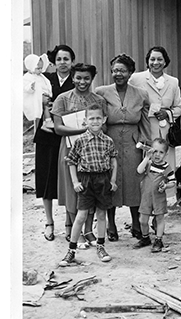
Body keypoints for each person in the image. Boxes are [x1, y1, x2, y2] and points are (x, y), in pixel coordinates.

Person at [95, 54, 151, 241]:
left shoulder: (141, 94)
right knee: (110, 181)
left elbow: (144, 123)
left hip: (133, 143)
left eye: (122, 70)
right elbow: (98, 119)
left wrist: (146, 144)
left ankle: (136, 223)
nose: (118, 74)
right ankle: (111, 225)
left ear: (130, 73)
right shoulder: (101, 92)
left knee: (135, 181)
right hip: (110, 141)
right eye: (115, 70)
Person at [52, 63, 107, 245]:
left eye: (86, 78)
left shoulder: (98, 100)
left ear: (92, 79)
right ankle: (74, 229)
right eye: (78, 77)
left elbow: (104, 124)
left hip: (93, 150)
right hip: (69, 148)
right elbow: (58, 128)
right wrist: (81, 130)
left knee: (90, 187)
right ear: (72, 77)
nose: (82, 82)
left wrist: (94, 129)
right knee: (72, 187)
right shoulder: (63, 98)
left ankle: (89, 230)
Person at [59, 104, 117, 266]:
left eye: (98, 118)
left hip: (103, 179)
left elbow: (114, 161)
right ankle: (71, 250)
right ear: (85, 121)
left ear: (104, 119)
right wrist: (75, 181)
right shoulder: (80, 141)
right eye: (91, 118)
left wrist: (112, 180)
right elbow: (71, 161)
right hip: (85, 180)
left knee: (101, 215)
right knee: (81, 215)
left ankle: (100, 246)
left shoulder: (108, 141)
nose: (95, 121)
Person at [34, 45, 75, 241]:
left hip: (67, 134)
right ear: (54, 62)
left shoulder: (77, 79)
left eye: (66, 59)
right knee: (46, 177)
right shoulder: (45, 79)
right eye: (59, 59)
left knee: (67, 178)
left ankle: (69, 223)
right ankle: (49, 222)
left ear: (72, 61)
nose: (62, 63)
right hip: (46, 135)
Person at [129, 46, 181, 171]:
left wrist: (168, 113)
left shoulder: (173, 82)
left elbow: (179, 107)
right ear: (148, 61)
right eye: (152, 59)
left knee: (166, 167)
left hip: (166, 133)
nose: (156, 63)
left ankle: (168, 189)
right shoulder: (136, 79)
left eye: (159, 59)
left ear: (165, 62)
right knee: (147, 166)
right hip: (146, 130)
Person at [134, 138, 177, 253]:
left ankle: (158, 239)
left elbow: (173, 182)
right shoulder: (148, 163)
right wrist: (147, 157)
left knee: (159, 218)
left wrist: (166, 186)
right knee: (143, 220)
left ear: (166, 154)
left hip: (158, 197)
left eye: (161, 152)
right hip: (146, 196)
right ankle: (145, 237)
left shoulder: (166, 167)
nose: (157, 155)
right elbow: (139, 171)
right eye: (155, 151)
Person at [23, 53, 53, 132]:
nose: (40, 70)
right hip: (36, 97)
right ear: (31, 67)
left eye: (41, 68)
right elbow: (25, 88)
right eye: (38, 68)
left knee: (47, 107)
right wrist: (31, 87)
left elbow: (46, 83)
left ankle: (46, 123)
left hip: (44, 96)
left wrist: (48, 93)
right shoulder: (27, 77)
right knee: (44, 107)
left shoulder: (40, 76)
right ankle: (47, 122)